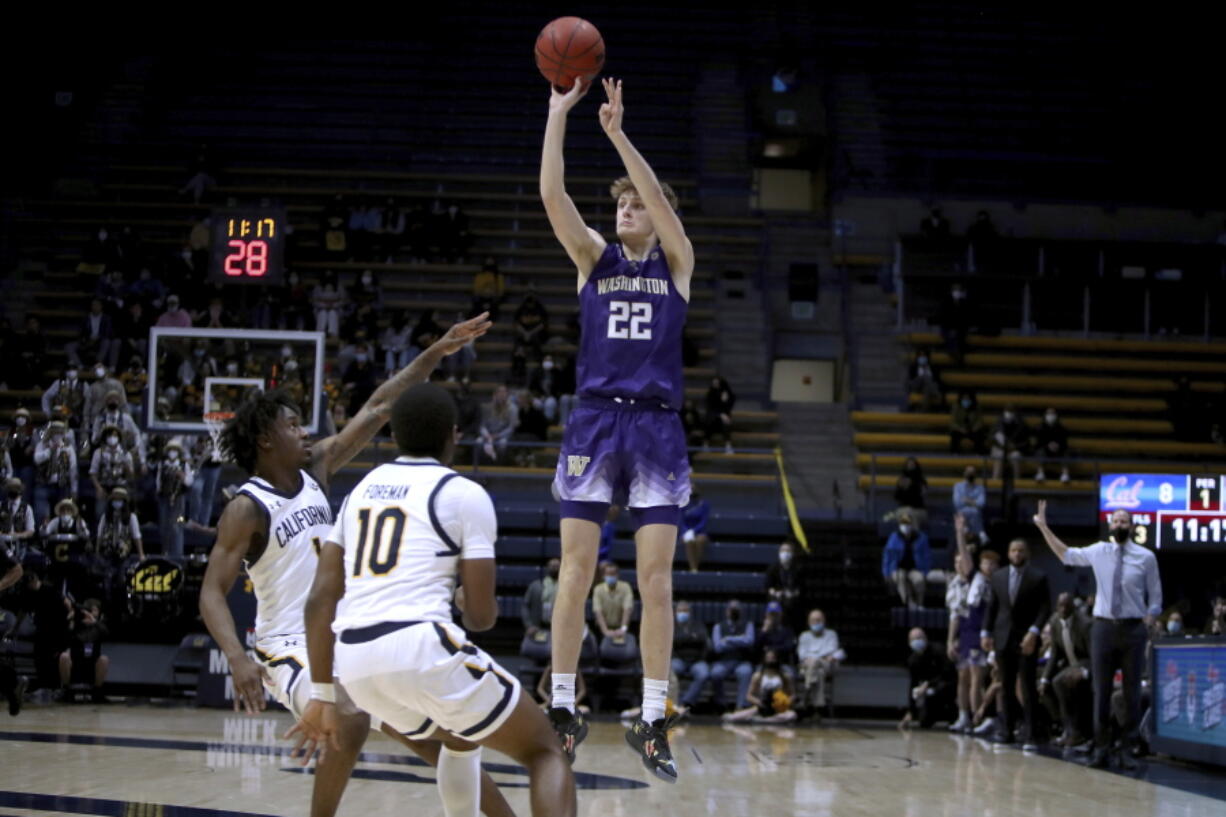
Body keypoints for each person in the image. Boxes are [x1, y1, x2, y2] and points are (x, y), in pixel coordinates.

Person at [200, 316, 515, 817]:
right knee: (348, 719)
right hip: (288, 648)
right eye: (291, 425)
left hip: (346, 635)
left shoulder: (317, 469)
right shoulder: (247, 506)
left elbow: (381, 406)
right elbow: (211, 591)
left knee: (448, 736)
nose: (304, 431)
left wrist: (436, 351)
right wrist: (237, 657)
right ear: (265, 440)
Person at [293, 382, 575, 817]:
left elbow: (320, 599)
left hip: (354, 661)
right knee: (545, 751)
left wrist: (322, 694)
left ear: (396, 436)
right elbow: (481, 619)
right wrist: (463, 597)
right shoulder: (463, 494)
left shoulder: (361, 491)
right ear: (454, 435)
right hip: (419, 644)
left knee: (458, 738)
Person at [541, 76, 694, 781]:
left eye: (637, 204)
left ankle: (653, 715)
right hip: (596, 422)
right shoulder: (592, 262)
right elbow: (553, 197)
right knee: (575, 568)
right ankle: (564, 705)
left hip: (658, 428)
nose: (630, 208)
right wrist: (558, 115)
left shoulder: (677, 263)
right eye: (623, 204)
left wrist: (617, 133)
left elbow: (659, 199)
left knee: (656, 581)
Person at [1033, 503, 1161, 770]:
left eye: (1125, 521)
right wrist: (1044, 527)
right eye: (1116, 520)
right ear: (1110, 526)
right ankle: (1101, 748)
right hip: (1102, 628)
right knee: (1101, 692)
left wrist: (1150, 617)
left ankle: (1128, 749)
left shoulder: (1146, 557)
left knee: (1131, 693)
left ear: (1132, 526)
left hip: (1133, 629)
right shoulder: (1098, 551)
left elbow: (1156, 595)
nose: (1120, 524)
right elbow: (1065, 555)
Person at [981, 538, 1050, 750]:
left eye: (1021, 550)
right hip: (1003, 637)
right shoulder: (998, 576)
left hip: (1027, 638)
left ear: (1026, 553)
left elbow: (1045, 608)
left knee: (1028, 686)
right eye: (1013, 550)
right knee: (1006, 686)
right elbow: (992, 607)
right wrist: (985, 632)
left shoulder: (1038, 577)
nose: (1017, 554)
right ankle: (1006, 730)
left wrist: (1034, 631)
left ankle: (1031, 734)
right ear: (1008, 553)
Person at [945, 514, 991, 732]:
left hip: (979, 630)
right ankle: (964, 716)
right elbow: (955, 615)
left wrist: (960, 533)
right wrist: (950, 639)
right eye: (956, 563)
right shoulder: (955, 584)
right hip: (964, 631)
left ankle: (977, 718)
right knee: (963, 677)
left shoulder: (980, 580)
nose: (959, 565)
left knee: (976, 678)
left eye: (961, 561)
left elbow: (966, 557)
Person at [1040, 592, 1093, 754]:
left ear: (1073, 607)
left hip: (1085, 663)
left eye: (1066, 605)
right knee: (1048, 684)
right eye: (1060, 605)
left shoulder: (1085, 623)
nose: (1062, 609)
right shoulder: (1055, 622)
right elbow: (1054, 654)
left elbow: (1094, 655)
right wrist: (1044, 679)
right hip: (1068, 665)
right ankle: (1067, 729)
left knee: (1060, 682)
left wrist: (1084, 671)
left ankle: (1075, 732)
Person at [720, 648, 798, 724]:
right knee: (733, 717)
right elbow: (749, 695)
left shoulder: (785, 676)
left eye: (773, 658)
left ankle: (766, 720)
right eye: (768, 658)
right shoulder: (758, 676)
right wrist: (759, 702)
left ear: (777, 659)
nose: (770, 660)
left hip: (778, 708)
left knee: (792, 715)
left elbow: (793, 695)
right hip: (761, 706)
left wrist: (784, 702)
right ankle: (767, 719)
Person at [901, 628, 957, 729]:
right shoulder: (912, 660)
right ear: (909, 642)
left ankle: (952, 716)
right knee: (924, 722)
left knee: (943, 688)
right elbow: (913, 684)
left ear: (925, 638)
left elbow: (948, 673)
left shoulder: (938, 650)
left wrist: (929, 683)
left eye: (919, 638)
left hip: (945, 686)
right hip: (928, 692)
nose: (917, 641)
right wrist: (910, 711)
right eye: (914, 639)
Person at [710, 599, 756, 712]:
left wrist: (728, 639)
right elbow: (717, 647)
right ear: (727, 611)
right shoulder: (718, 626)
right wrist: (740, 642)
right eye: (732, 609)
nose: (734, 612)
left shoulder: (748, 624)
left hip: (742, 661)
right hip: (724, 661)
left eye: (737, 610)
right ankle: (721, 704)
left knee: (746, 672)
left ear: (741, 611)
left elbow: (749, 641)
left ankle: (741, 706)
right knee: (715, 673)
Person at [796, 608, 843, 716]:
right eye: (813, 620)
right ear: (808, 622)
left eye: (819, 620)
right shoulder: (804, 636)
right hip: (809, 666)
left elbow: (832, 651)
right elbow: (802, 655)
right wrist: (818, 658)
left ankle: (807, 691)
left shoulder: (831, 634)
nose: (816, 622)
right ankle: (817, 709)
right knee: (819, 673)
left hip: (826, 665)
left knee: (816, 664)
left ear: (824, 620)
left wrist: (814, 658)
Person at [61, 598, 109, 702]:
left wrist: (94, 622)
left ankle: (97, 692)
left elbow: (106, 633)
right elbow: (65, 636)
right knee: (64, 656)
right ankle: (66, 691)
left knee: (104, 659)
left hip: (92, 663)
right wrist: (71, 620)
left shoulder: (99, 624)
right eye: (89, 610)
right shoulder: (77, 623)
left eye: (94, 610)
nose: (91, 613)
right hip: (76, 661)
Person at [671, 600, 712, 717]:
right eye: (680, 611)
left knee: (704, 673)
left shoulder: (698, 624)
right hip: (678, 659)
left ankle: (685, 703)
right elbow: (672, 641)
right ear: (675, 612)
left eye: (685, 611)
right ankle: (674, 705)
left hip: (697, 660)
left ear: (689, 612)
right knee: (671, 672)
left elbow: (703, 640)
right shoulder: (671, 624)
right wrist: (691, 638)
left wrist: (683, 639)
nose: (682, 613)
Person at [882, 513, 931, 609]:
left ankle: (920, 604)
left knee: (919, 580)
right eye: (903, 523)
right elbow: (887, 556)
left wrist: (925, 571)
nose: (905, 526)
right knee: (900, 578)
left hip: (915, 569)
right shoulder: (894, 538)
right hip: (898, 569)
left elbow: (927, 557)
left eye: (907, 523)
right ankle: (909, 604)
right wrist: (886, 573)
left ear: (911, 524)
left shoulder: (921, 538)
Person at [155, 441, 193, 559]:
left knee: (177, 525)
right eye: (171, 450)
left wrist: (182, 477)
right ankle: (164, 552)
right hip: (164, 499)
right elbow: (158, 480)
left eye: (175, 450)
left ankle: (177, 554)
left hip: (179, 499)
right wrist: (159, 491)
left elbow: (189, 481)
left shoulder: (183, 465)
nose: (173, 452)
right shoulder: (162, 464)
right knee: (164, 525)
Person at [592, 561, 634, 641]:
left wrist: (623, 628)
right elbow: (598, 612)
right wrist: (605, 631)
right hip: (602, 629)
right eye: (608, 574)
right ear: (603, 576)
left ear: (617, 575)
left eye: (613, 574)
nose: (611, 577)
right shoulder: (598, 589)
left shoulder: (625, 587)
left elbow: (627, 609)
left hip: (621, 627)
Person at [522, 557, 561, 641]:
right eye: (552, 566)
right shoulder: (535, 586)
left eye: (557, 566)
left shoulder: (566, 588)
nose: (554, 568)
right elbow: (525, 606)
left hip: (560, 628)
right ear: (547, 567)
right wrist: (529, 625)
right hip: (538, 627)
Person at [478, 385, 518, 464]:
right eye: (499, 392)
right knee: (478, 441)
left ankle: (499, 464)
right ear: (495, 394)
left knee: (502, 443)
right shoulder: (487, 407)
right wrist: (487, 435)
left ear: (507, 394)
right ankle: (482, 464)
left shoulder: (513, 408)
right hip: (489, 434)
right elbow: (482, 425)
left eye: (504, 392)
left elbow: (511, 428)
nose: (502, 394)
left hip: (503, 436)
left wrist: (498, 436)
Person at [756, 601, 797, 680]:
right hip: (765, 664)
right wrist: (764, 632)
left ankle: (785, 693)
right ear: (766, 615)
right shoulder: (761, 630)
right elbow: (756, 648)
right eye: (771, 614)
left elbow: (789, 647)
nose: (773, 617)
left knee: (790, 675)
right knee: (757, 676)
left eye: (776, 614)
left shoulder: (787, 630)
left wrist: (770, 649)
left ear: (780, 615)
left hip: (783, 663)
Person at [0, 478, 37, 564]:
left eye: (15, 488)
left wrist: (17, 535)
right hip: (2, 543)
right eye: (11, 488)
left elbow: (30, 531)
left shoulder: (27, 508)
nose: (13, 491)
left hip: (19, 544)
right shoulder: (1, 506)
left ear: (20, 491)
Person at [989, 406, 1030, 481]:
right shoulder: (998, 422)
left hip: (1014, 450)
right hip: (1000, 449)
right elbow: (991, 439)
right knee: (999, 456)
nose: (1009, 413)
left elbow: (1025, 442)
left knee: (1016, 456)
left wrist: (1014, 447)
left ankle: (1017, 482)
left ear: (1014, 413)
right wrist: (1001, 446)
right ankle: (995, 482)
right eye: (1007, 411)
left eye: (1011, 411)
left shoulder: (1021, 424)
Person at [765, 541, 801, 623]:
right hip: (776, 599)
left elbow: (801, 588)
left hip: (793, 601)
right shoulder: (773, 569)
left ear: (792, 553)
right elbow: (768, 587)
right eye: (783, 550)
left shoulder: (798, 569)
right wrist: (776, 593)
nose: (785, 553)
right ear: (779, 553)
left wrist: (793, 593)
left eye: (788, 551)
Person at [935, 282, 972, 363]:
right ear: (951, 291)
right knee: (951, 335)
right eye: (955, 289)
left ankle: (957, 354)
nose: (957, 292)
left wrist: (956, 329)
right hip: (947, 327)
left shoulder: (964, 302)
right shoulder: (946, 301)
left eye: (959, 290)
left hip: (960, 329)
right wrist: (951, 329)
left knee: (958, 335)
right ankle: (955, 354)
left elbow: (964, 318)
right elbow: (944, 317)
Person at [1034, 408, 1071, 484]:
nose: (1050, 416)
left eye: (1052, 414)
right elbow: (1037, 444)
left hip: (1058, 451)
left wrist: (1058, 445)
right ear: (1045, 415)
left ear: (1056, 416)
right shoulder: (1040, 428)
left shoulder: (1061, 428)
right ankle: (1040, 473)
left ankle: (1065, 474)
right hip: (1045, 451)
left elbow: (1065, 444)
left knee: (1066, 453)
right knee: (1040, 452)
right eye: (1048, 414)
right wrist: (1047, 446)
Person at [953, 467, 988, 545]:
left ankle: (969, 532)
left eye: (972, 472)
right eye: (968, 472)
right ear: (964, 473)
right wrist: (974, 502)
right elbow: (957, 503)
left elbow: (982, 503)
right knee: (966, 512)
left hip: (975, 515)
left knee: (974, 512)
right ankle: (980, 533)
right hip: (962, 514)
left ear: (975, 475)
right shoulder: (958, 486)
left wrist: (966, 500)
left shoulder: (980, 488)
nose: (970, 474)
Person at [892, 457, 928, 530]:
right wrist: (901, 488)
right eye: (909, 465)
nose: (910, 466)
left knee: (908, 514)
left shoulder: (921, 481)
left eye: (912, 465)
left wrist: (912, 486)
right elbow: (896, 497)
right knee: (904, 513)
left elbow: (920, 498)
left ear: (916, 466)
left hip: (919, 510)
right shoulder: (902, 480)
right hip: (902, 509)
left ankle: (911, 537)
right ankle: (909, 538)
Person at [679, 490, 710, 573]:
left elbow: (704, 521)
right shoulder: (683, 504)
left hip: (700, 531)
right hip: (686, 531)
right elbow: (681, 521)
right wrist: (686, 531)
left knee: (700, 541)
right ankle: (693, 568)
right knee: (689, 541)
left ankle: (696, 566)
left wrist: (694, 531)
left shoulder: (704, 504)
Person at [703, 376, 736, 454]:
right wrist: (720, 414)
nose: (715, 385)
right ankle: (705, 444)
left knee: (726, 422)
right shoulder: (710, 394)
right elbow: (710, 409)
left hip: (724, 418)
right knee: (709, 420)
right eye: (713, 383)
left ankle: (728, 446)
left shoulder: (727, 393)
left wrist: (725, 401)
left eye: (717, 383)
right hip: (713, 417)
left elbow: (728, 409)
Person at [907, 348, 943, 413]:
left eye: (924, 356)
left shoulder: (933, 367)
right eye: (920, 355)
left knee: (927, 389)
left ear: (927, 357)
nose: (922, 357)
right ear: (917, 356)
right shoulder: (913, 366)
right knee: (924, 377)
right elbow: (910, 380)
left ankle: (924, 411)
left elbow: (937, 380)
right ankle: (936, 393)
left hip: (927, 387)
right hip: (917, 385)